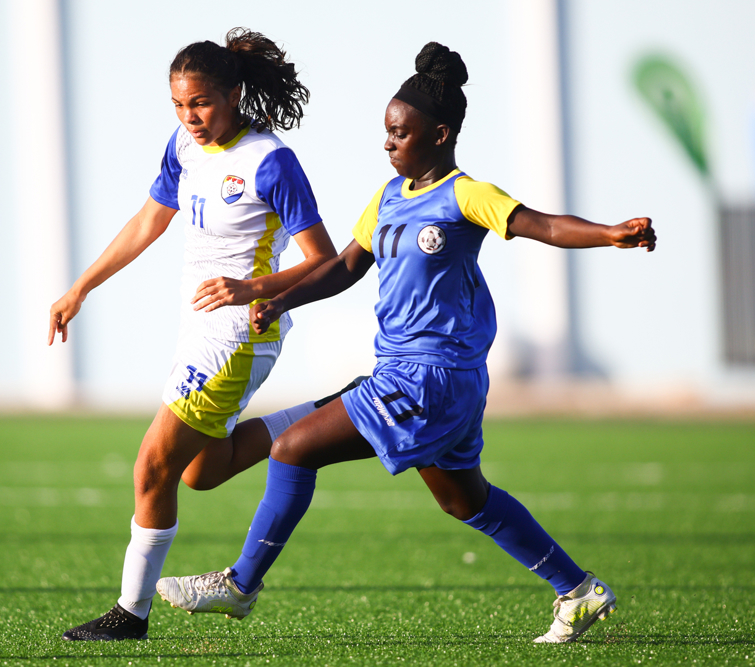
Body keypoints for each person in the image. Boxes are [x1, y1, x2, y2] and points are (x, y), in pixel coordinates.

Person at [156, 42, 657, 645]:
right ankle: (578, 590)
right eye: (387, 132)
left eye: (400, 133)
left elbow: (542, 225)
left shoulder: (465, 194)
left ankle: (240, 584)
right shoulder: (389, 196)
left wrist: (609, 233)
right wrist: (279, 299)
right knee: (465, 501)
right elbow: (344, 267)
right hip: (414, 374)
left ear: (439, 135)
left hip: (431, 376)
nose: (389, 143)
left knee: (292, 450)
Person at [48, 28, 343, 641]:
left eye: (202, 103)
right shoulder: (183, 145)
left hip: (242, 331)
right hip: (198, 326)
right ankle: (331, 412)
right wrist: (81, 287)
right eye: (179, 105)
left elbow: (325, 260)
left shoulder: (270, 160)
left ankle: (129, 614)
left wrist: (250, 288)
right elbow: (147, 222)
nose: (190, 117)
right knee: (201, 472)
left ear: (233, 95)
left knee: (152, 466)